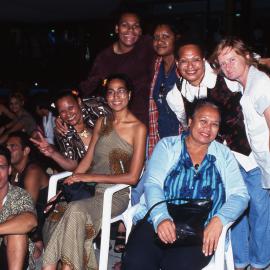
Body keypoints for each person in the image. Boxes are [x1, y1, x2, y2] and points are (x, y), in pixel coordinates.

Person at [122, 101, 249, 270]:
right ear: (190, 121)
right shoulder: (167, 146)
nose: (208, 128)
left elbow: (240, 195)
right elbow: (153, 184)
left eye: (214, 124)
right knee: (136, 262)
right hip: (158, 218)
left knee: (177, 265)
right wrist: (161, 217)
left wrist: (219, 220)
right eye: (203, 121)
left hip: (201, 228)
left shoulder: (223, 154)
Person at [42, 74, 147, 270]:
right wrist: (64, 189)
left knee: (75, 211)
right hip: (89, 189)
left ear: (130, 95)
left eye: (121, 91)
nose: (116, 96)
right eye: (111, 92)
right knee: (58, 212)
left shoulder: (138, 128)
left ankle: (55, 266)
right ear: (106, 97)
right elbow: (87, 160)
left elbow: (133, 177)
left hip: (115, 194)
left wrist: (87, 176)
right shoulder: (102, 122)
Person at [211, 36, 270, 270]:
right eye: (223, 63)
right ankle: (242, 260)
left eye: (232, 60)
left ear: (246, 56)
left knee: (260, 215)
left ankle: (259, 262)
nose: (227, 67)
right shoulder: (243, 82)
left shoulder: (260, 84)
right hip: (247, 160)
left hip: (261, 163)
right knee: (242, 209)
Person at [80, 11, 156, 126]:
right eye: (125, 25)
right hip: (123, 124)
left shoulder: (148, 45)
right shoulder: (105, 58)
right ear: (117, 29)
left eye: (135, 26)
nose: (130, 30)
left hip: (152, 118)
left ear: (140, 31)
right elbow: (88, 88)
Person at [31, 91, 110, 171]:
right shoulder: (62, 129)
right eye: (62, 111)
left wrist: (81, 131)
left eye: (71, 108)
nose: (68, 114)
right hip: (95, 172)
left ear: (79, 102)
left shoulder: (95, 107)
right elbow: (72, 165)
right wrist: (52, 153)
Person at [6, 131, 49, 267]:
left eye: (13, 147)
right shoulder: (12, 172)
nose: (8, 150)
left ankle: (32, 248)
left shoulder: (32, 172)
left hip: (35, 228)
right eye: (7, 147)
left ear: (26, 150)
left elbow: (27, 208)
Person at [148, 22, 184, 158]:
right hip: (161, 139)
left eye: (165, 36)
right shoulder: (155, 67)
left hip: (183, 137)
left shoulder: (185, 66)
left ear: (176, 38)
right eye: (156, 37)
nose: (159, 41)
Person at [0, 145, 37, 270]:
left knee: (16, 230)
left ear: (9, 170)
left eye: (1, 167)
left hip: (9, 258)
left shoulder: (19, 195)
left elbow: (30, 221)